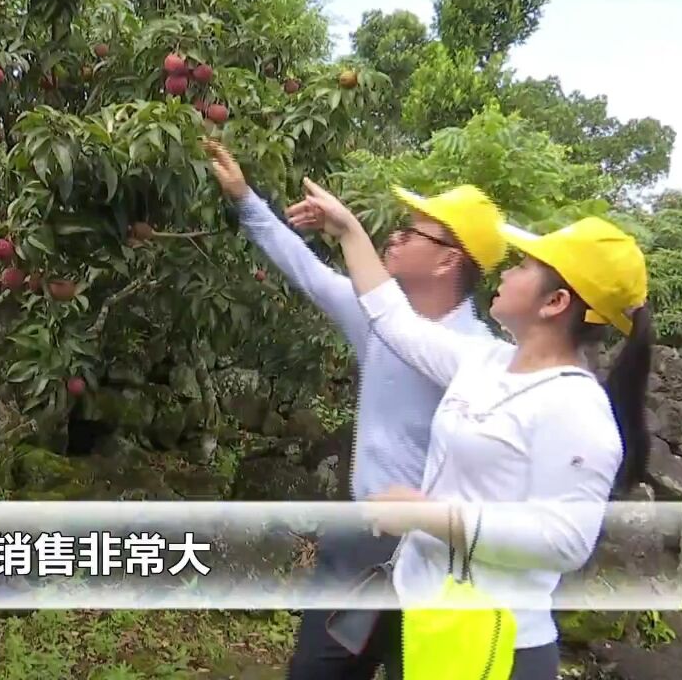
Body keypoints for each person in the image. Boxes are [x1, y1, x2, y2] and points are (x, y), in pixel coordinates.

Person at [289, 179, 652, 679]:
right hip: (430, 620)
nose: (507, 271)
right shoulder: (484, 362)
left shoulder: (577, 408)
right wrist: (349, 230)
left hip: (496, 645)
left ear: (555, 303)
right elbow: (395, 320)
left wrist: (430, 515)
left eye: (525, 267)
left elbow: (566, 540)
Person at [203, 140, 508, 679]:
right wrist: (245, 197)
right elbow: (307, 269)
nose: (396, 234)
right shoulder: (377, 316)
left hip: (436, 559)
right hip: (359, 539)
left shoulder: (480, 357)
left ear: (448, 260)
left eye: (412, 232)